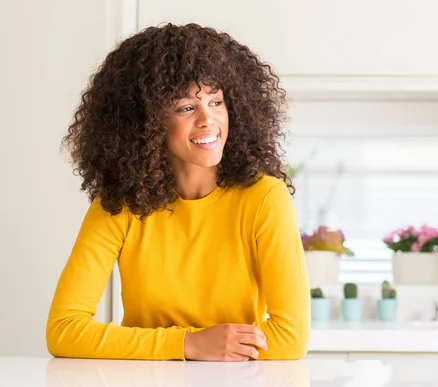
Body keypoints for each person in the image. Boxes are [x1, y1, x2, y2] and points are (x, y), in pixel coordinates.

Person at [46, 23, 310, 361]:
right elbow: (63, 329)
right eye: (186, 108)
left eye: (216, 102)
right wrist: (189, 344)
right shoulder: (120, 204)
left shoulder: (264, 198)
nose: (208, 120)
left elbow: (291, 338)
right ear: (146, 123)